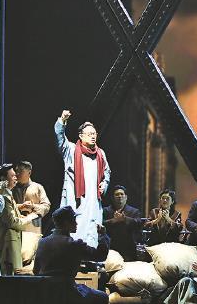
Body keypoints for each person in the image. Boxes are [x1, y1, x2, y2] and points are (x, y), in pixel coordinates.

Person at [34, 206, 110, 304]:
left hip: (46, 294)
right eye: (74, 220)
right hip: (67, 293)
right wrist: (102, 235)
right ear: (66, 223)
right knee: (103, 297)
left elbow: (36, 270)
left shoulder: (42, 242)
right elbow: (100, 255)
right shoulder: (74, 244)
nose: (77, 224)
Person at [55, 109, 110, 248]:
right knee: (76, 231)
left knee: (93, 233)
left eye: (94, 134)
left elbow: (107, 172)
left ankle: (91, 255)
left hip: (94, 202)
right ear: (81, 136)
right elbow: (60, 137)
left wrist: (104, 184)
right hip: (77, 201)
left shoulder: (100, 154)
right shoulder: (71, 150)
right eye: (89, 134)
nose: (93, 136)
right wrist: (62, 120)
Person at [12, 160, 51, 273]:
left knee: (29, 254)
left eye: (20, 171)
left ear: (29, 172)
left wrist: (33, 207)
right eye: (16, 171)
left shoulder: (37, 187)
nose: (17, 174)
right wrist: (20, 207)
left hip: (32, 227)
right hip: (16, 226)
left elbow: (46, 206)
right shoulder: (12, 187)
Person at [0, 163, 27, 276]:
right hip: (8, 245)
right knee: (10, 275)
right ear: (3, 178)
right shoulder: (4, 196)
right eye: (12, 176)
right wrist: (28, 220)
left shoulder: (8, 194)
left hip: (13, 242)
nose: (15, 178)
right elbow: (11, 221)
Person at [101, 185, 143, 261]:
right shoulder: (105, 211)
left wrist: (125, 219)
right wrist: (113, 220)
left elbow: (139, 224)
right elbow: (101, 224)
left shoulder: (134, 211)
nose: (120, 196)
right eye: (117, 194)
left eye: (122, 194)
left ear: (126, 197)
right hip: (110, 249)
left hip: (128, 250)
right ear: (112, 198)